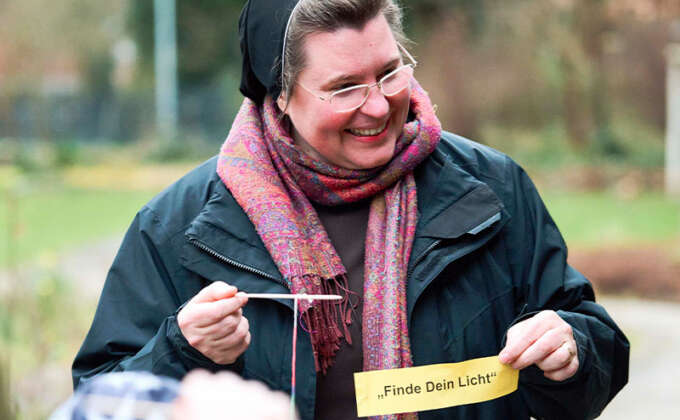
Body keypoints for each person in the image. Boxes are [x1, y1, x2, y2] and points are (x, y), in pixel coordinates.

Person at [72, 0, 630, 419]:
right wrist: (180, 348)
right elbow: (100, 399)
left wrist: (572, 351)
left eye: (389, 72)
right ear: (279, 94)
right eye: (344, 88)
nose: (379, 105)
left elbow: (593, 353)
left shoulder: (490, 189)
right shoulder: (180, 226)